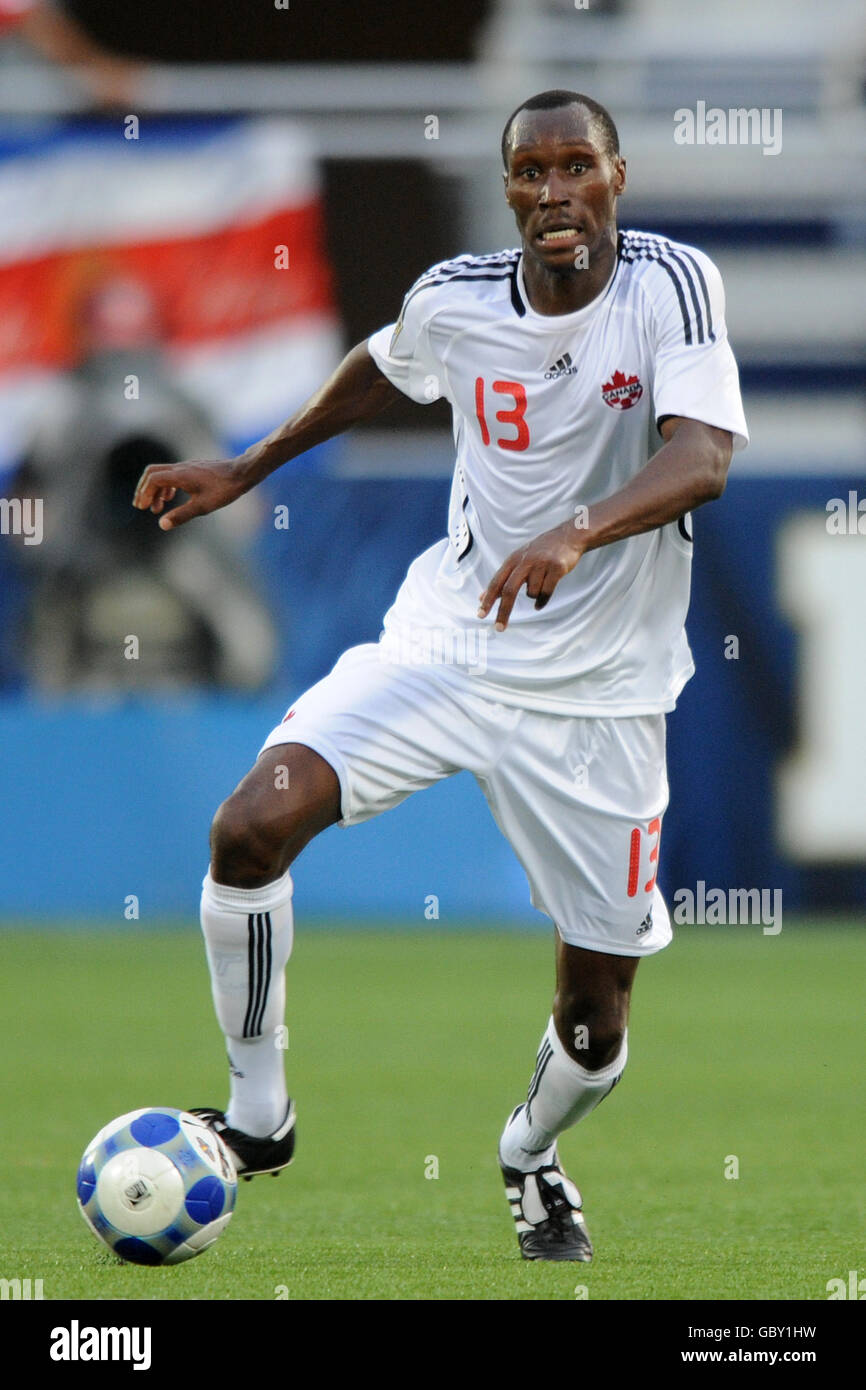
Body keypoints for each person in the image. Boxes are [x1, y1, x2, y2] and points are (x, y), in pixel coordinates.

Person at [133, 89, 748, 1263]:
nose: (553, 191)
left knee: (594, 1022)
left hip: (602, 697)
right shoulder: (455, 297)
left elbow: (701, 457)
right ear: (507, 187)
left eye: (577, 166)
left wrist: (574, 529)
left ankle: (526, 1151)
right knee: (251, 826)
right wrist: (249, 465)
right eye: (530, 172)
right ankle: (258, 1116)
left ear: (616, 175)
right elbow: (383, 366)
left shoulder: (671, 286)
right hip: (451, 642)